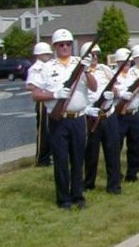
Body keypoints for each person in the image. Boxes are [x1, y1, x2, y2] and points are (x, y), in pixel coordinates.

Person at [29, 29, 96, 209]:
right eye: (61, 44)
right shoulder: (47, 67)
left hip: (78, 118)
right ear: (55, 47)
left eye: (68, 44)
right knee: (60, 160)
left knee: (78, 159)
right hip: (59, 119)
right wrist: (54, 94)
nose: (65, 47)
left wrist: (87, 70)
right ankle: (63, 198)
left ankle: (77, 195)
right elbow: (35, 94)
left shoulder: (80, 64)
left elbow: (94, 87)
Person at [81, 42, 122, 194]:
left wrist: (114, 95)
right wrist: (86, 109)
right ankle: (89, 183)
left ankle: (114, 185)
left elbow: (115, 87)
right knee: (91, 153)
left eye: (97, 54)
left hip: (108, 114)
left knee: (112, 151)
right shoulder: (81, 72)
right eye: (92, 54)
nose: (95, 57)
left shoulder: (105, 69)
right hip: (91, 115)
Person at [113, 48, 139, 183]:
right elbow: (112, 91)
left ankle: (132, 173)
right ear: (118, 62)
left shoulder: (135, 75)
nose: (127, 64)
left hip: (134, 113)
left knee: (135, 145)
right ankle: (116, 173)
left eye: (129, 62)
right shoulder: (113, 75)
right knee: (116, 146)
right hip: (119, 116)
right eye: (124, 62)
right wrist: (120, 94)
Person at [26, 42, 53, 167]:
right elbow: (30, 85)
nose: (48, 56)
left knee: (53, 129)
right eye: (45, 54)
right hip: (42, 101)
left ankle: (50, 155)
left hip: (51, 100)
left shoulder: (50, 66)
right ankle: (42, 159)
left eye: (48, 54)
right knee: (44, 130)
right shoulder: (36, 68)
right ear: (39, 55)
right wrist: (42, 88)